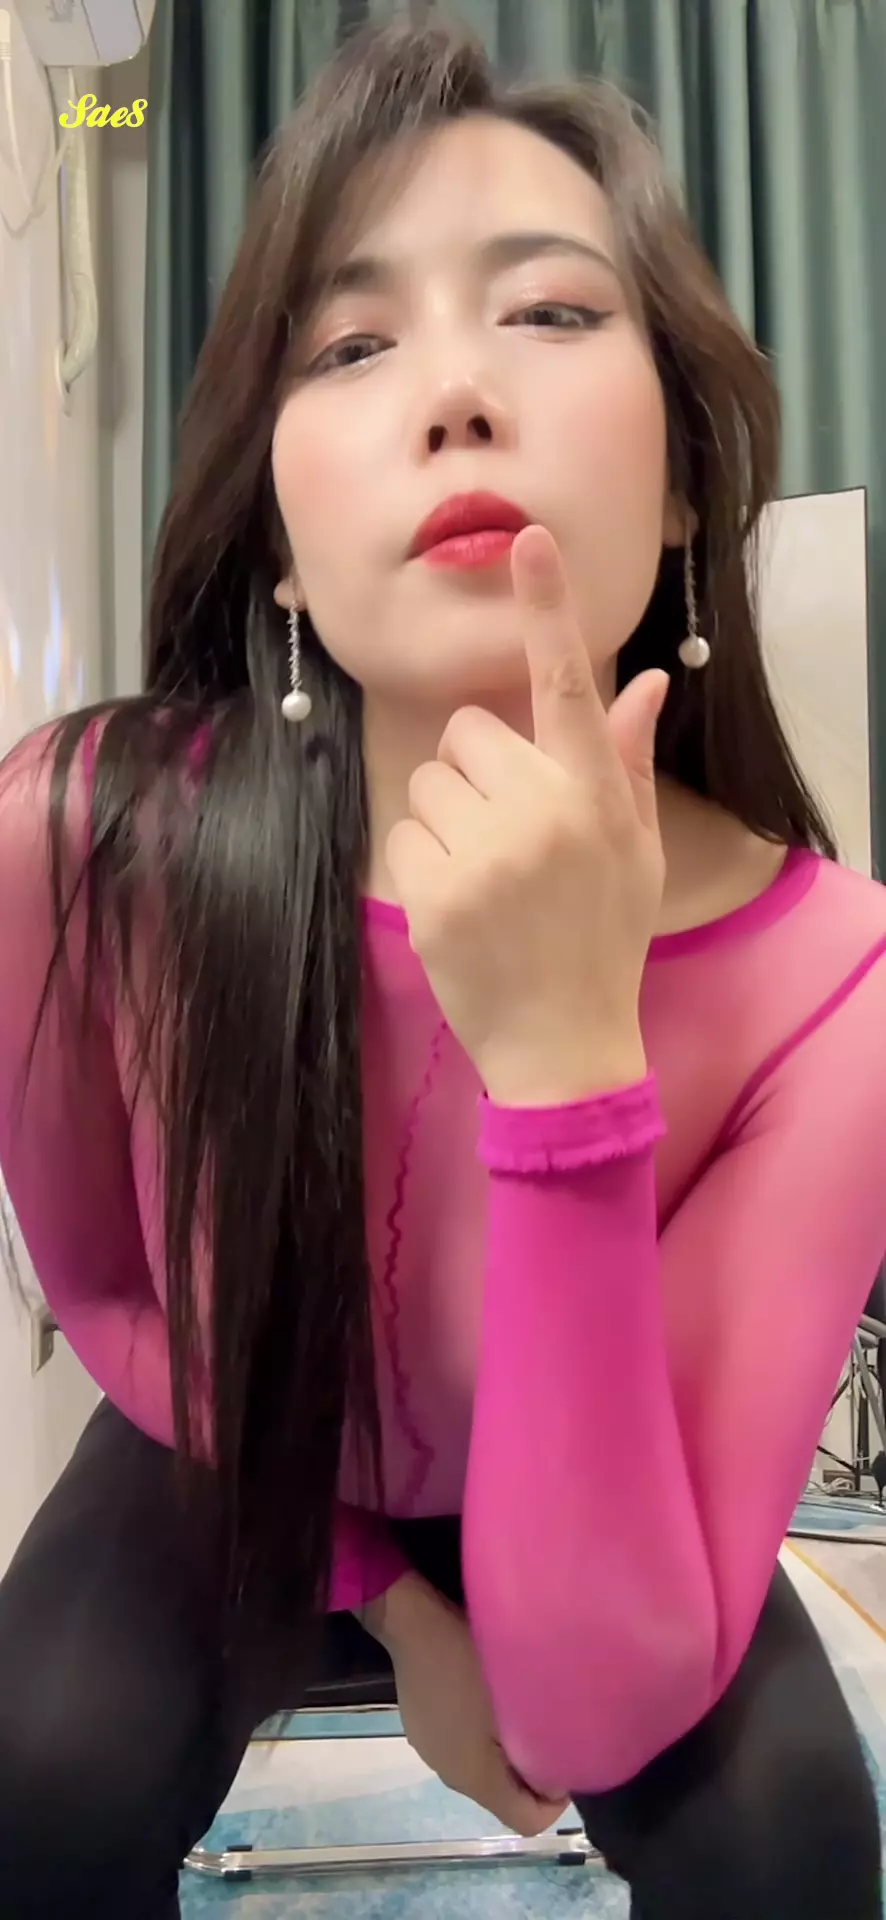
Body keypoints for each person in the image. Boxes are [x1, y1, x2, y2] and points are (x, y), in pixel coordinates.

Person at [0, 13, 885, 1919]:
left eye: (549, 313)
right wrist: (393, 1600)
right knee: (35, 1772)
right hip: (232, 1457)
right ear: (280, 542)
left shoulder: (835, 978)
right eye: (350, 344)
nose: (457, 393)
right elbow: (107, 1289)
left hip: (607, 1505)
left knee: (793, 1837)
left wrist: (566, 1065)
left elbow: (589, 1708)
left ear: (682, 484)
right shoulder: (84, 835)